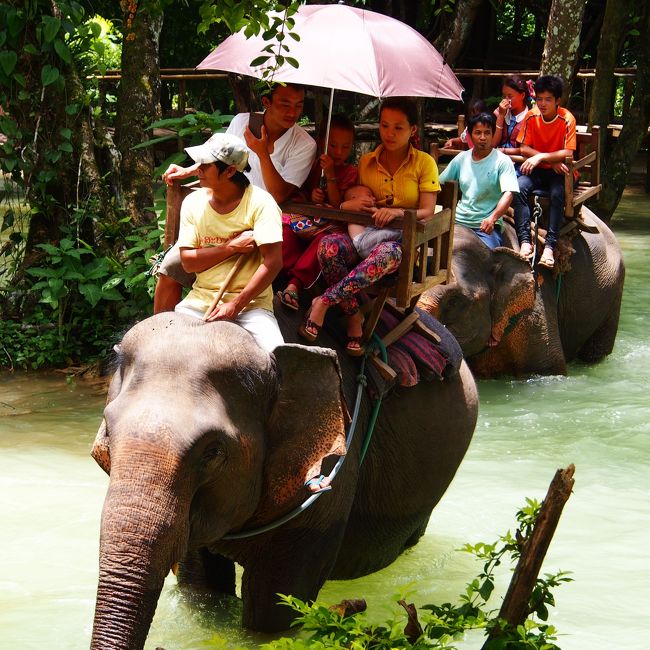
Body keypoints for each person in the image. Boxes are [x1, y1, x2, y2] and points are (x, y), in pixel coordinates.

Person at [155, 83, 316, 312]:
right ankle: (157, 331)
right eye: (285, 104)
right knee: (171, 266)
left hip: (260, 220)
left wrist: (261, 152)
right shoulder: (242, 122)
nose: (293, 113)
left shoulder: (304, 144)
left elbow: (279, 193)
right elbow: (219, 157)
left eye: (298, 106)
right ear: (266, 102)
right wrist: (190, 170)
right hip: (220, 211)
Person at [299, 97, 440, 356]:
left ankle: (325, 301)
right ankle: (353, 314)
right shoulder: (367, 162)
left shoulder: (424, 163)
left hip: (400, 245)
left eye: (398, 128)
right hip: (362, 236)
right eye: (385, 125)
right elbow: (353, 197)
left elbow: (429, 211)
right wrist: (347, 206)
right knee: (328, 247)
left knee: (387, 253)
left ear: (413, 130)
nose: (390, 133)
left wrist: (396, 212)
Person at [172, 132, 284, 353]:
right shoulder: (193, 202)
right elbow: (188, 262)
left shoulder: (262, 204)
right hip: (198, 303)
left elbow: (273, 263)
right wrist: (230, 247)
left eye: (205, 165)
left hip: (251, 308)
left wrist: (235, 305)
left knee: (278, 358)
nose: (198, 169)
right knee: (163, 353)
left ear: (230, 171)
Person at [277, 114, 358, 310]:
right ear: (321, 142)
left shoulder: (351, 172)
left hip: (330, 227)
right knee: (284, 233)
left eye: (345, 147)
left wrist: (330, 176)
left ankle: (295, 284)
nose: (338, 152)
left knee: (324, 242)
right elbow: (299, 193)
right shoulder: (311, 165)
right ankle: (278, 276)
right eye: (333, 145)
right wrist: (311, 197)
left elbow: (338, 203)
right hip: (305, 223)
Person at [512, 75, 577, 269]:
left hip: (560, 172)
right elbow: (524, 148)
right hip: (538, 170)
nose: (542, 103)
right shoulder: (531, 116)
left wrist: (541, 157)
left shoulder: (566, 118)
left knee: (558, 194)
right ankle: (524, 241)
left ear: (558, 100)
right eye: (539, 99)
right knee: (518, 187)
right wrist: (548, 159)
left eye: (548, 99)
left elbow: (568, 152)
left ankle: (549, 246)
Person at [439, 113, 519, 249]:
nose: (483, 137)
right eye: (478, 133)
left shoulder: (502, 161)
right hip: (459, 221)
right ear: (470, 135)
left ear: (493, 134)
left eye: (487, 133)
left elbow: (508, 193)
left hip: (486, 226)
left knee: (490, 262)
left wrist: (492, 218)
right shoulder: (461, 159)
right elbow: (439, 183)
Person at [344, 184, 401, 258]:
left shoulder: (369, 209)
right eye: (369, 195)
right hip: (363, 242)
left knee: (388, 236)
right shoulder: (355, 210)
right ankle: (402, 233)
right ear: (354, 199)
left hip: (373, 238)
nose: (374, 198)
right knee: (389, 233)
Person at [492, 75, 534, 162]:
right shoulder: (500, 112)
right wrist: (500, 116)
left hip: (519, 163)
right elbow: (493, 144)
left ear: (522, 95)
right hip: (497, 161)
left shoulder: (530, 117)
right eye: (504, 96)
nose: (506, 100)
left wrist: (504, 151)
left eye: (510, 96)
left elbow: (526, 149)